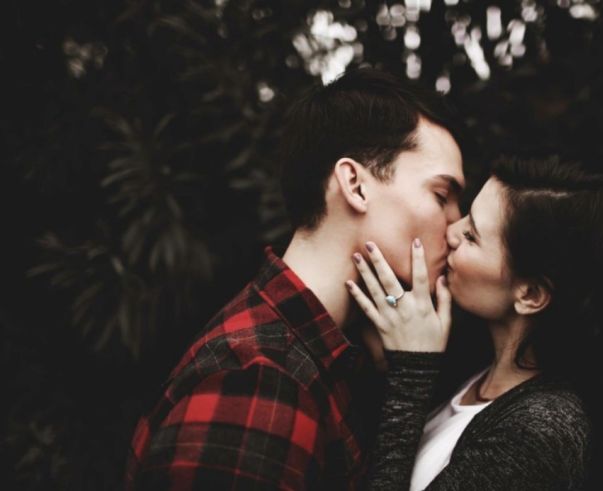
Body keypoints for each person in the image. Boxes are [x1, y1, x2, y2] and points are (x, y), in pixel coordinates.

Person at [124, 68, 466, 490]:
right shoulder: (259, 381)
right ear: (356, 184)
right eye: (441, 196)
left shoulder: (321, 360)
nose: (455, 229)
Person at [346, 155, 603, 490]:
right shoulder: (467, 364)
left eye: (473, 236)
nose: (451, 231)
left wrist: (412, 372)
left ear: (530, 294)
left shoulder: (540, 432)